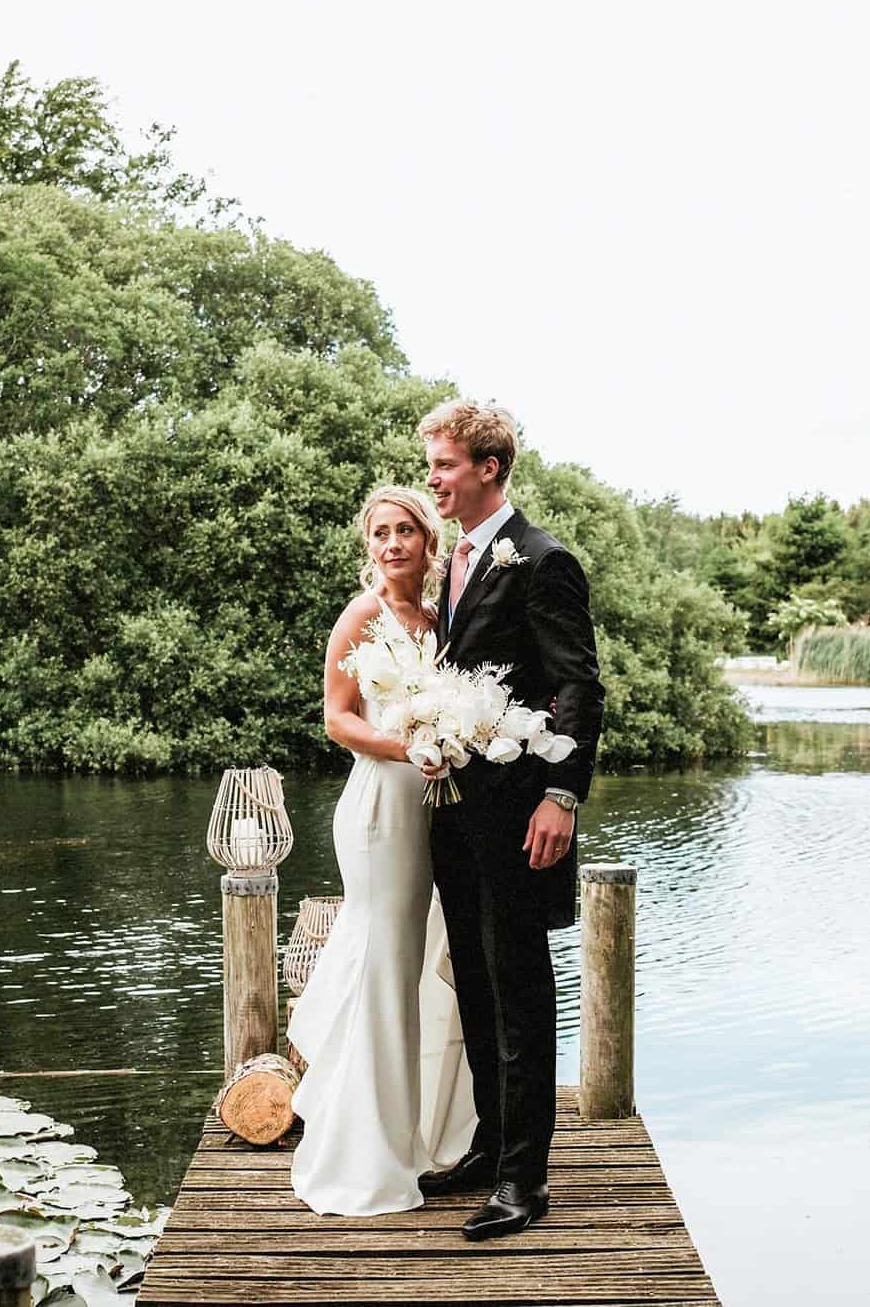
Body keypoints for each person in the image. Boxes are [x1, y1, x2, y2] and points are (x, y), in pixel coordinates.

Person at [415, 399, 604, 1241]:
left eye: (445, 465)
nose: (433, 479)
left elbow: (578, 685)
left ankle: (525, 1181)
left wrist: (562, 796)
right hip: (456, 811)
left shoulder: (543, 560)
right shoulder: (457, 559)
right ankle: (491, 1147)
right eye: (431, 464)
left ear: (489, 468)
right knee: (477, 983)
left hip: (524, 813)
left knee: (521, 990)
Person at [288, 485, 478, 1216]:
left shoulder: (440, 619)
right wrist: (408, 747)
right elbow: (337, 720)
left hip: (435, 809)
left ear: (428, 541)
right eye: (380, 533)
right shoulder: (361, 616)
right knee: (382, 962)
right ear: (369, 546)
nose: (392, 544)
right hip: (380, 810)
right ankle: (361, 1154)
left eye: (405, 531)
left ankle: (414, 1134)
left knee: (419, 965)